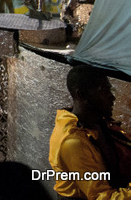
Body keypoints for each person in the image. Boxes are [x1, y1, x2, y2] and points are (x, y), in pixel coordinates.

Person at [49, 65, 131, 199]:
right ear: (82, 95)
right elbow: (102, 196)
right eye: (104, 91)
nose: (112, 98)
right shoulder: (73, 142)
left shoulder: (95, 122)